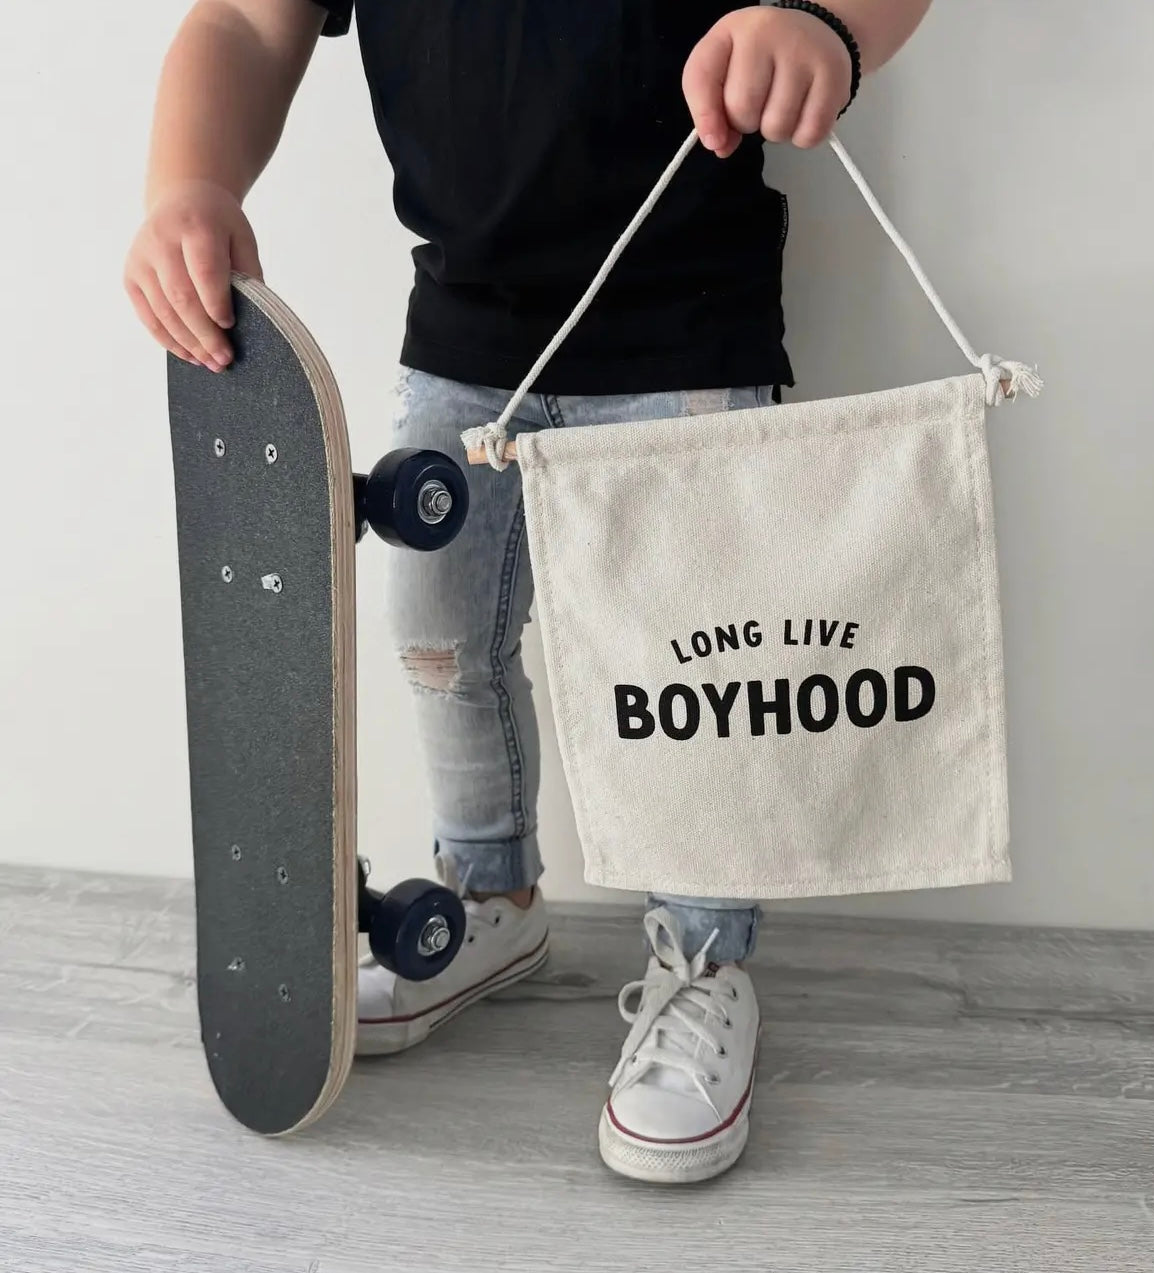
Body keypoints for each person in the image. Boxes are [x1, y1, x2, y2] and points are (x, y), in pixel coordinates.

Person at [126, 0, 931, 1183]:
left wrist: (825, 23)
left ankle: (706, 961)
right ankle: (491, 899)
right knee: (437, 635)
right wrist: (185, 184)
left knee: (696, 673)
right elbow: (247, 23)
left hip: (686, 336)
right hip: (463, 338)